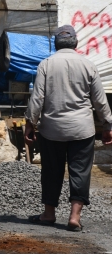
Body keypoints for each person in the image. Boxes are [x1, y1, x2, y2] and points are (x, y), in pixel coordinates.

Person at [25, 25, 112, 232]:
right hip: (82, 129)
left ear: (55, 43)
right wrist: (108, 124)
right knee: (80, 171)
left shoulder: (46, 64)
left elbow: (37, 98)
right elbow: (100, 101)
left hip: (51, 130)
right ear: (76, 43)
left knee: (51, 171)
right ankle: (74, 217)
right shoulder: (88, 65)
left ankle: (49, 213)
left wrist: (30, 124)